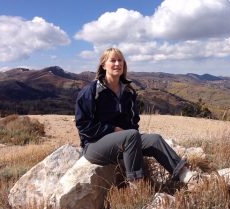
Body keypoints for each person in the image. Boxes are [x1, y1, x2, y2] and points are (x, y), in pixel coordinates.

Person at [75, 48, 198, 185]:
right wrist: (112, 129)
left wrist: (132, 143)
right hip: (94, 146)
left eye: (120, 60)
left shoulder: (128, 92)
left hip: (125, 142)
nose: (117, 64)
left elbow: (133, 122)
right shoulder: (91, 92)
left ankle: (187, 177)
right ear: (103, 65)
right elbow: (83, 126)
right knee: (131, 135)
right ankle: (137, 187)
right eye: (113, 60)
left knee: (154, 139)